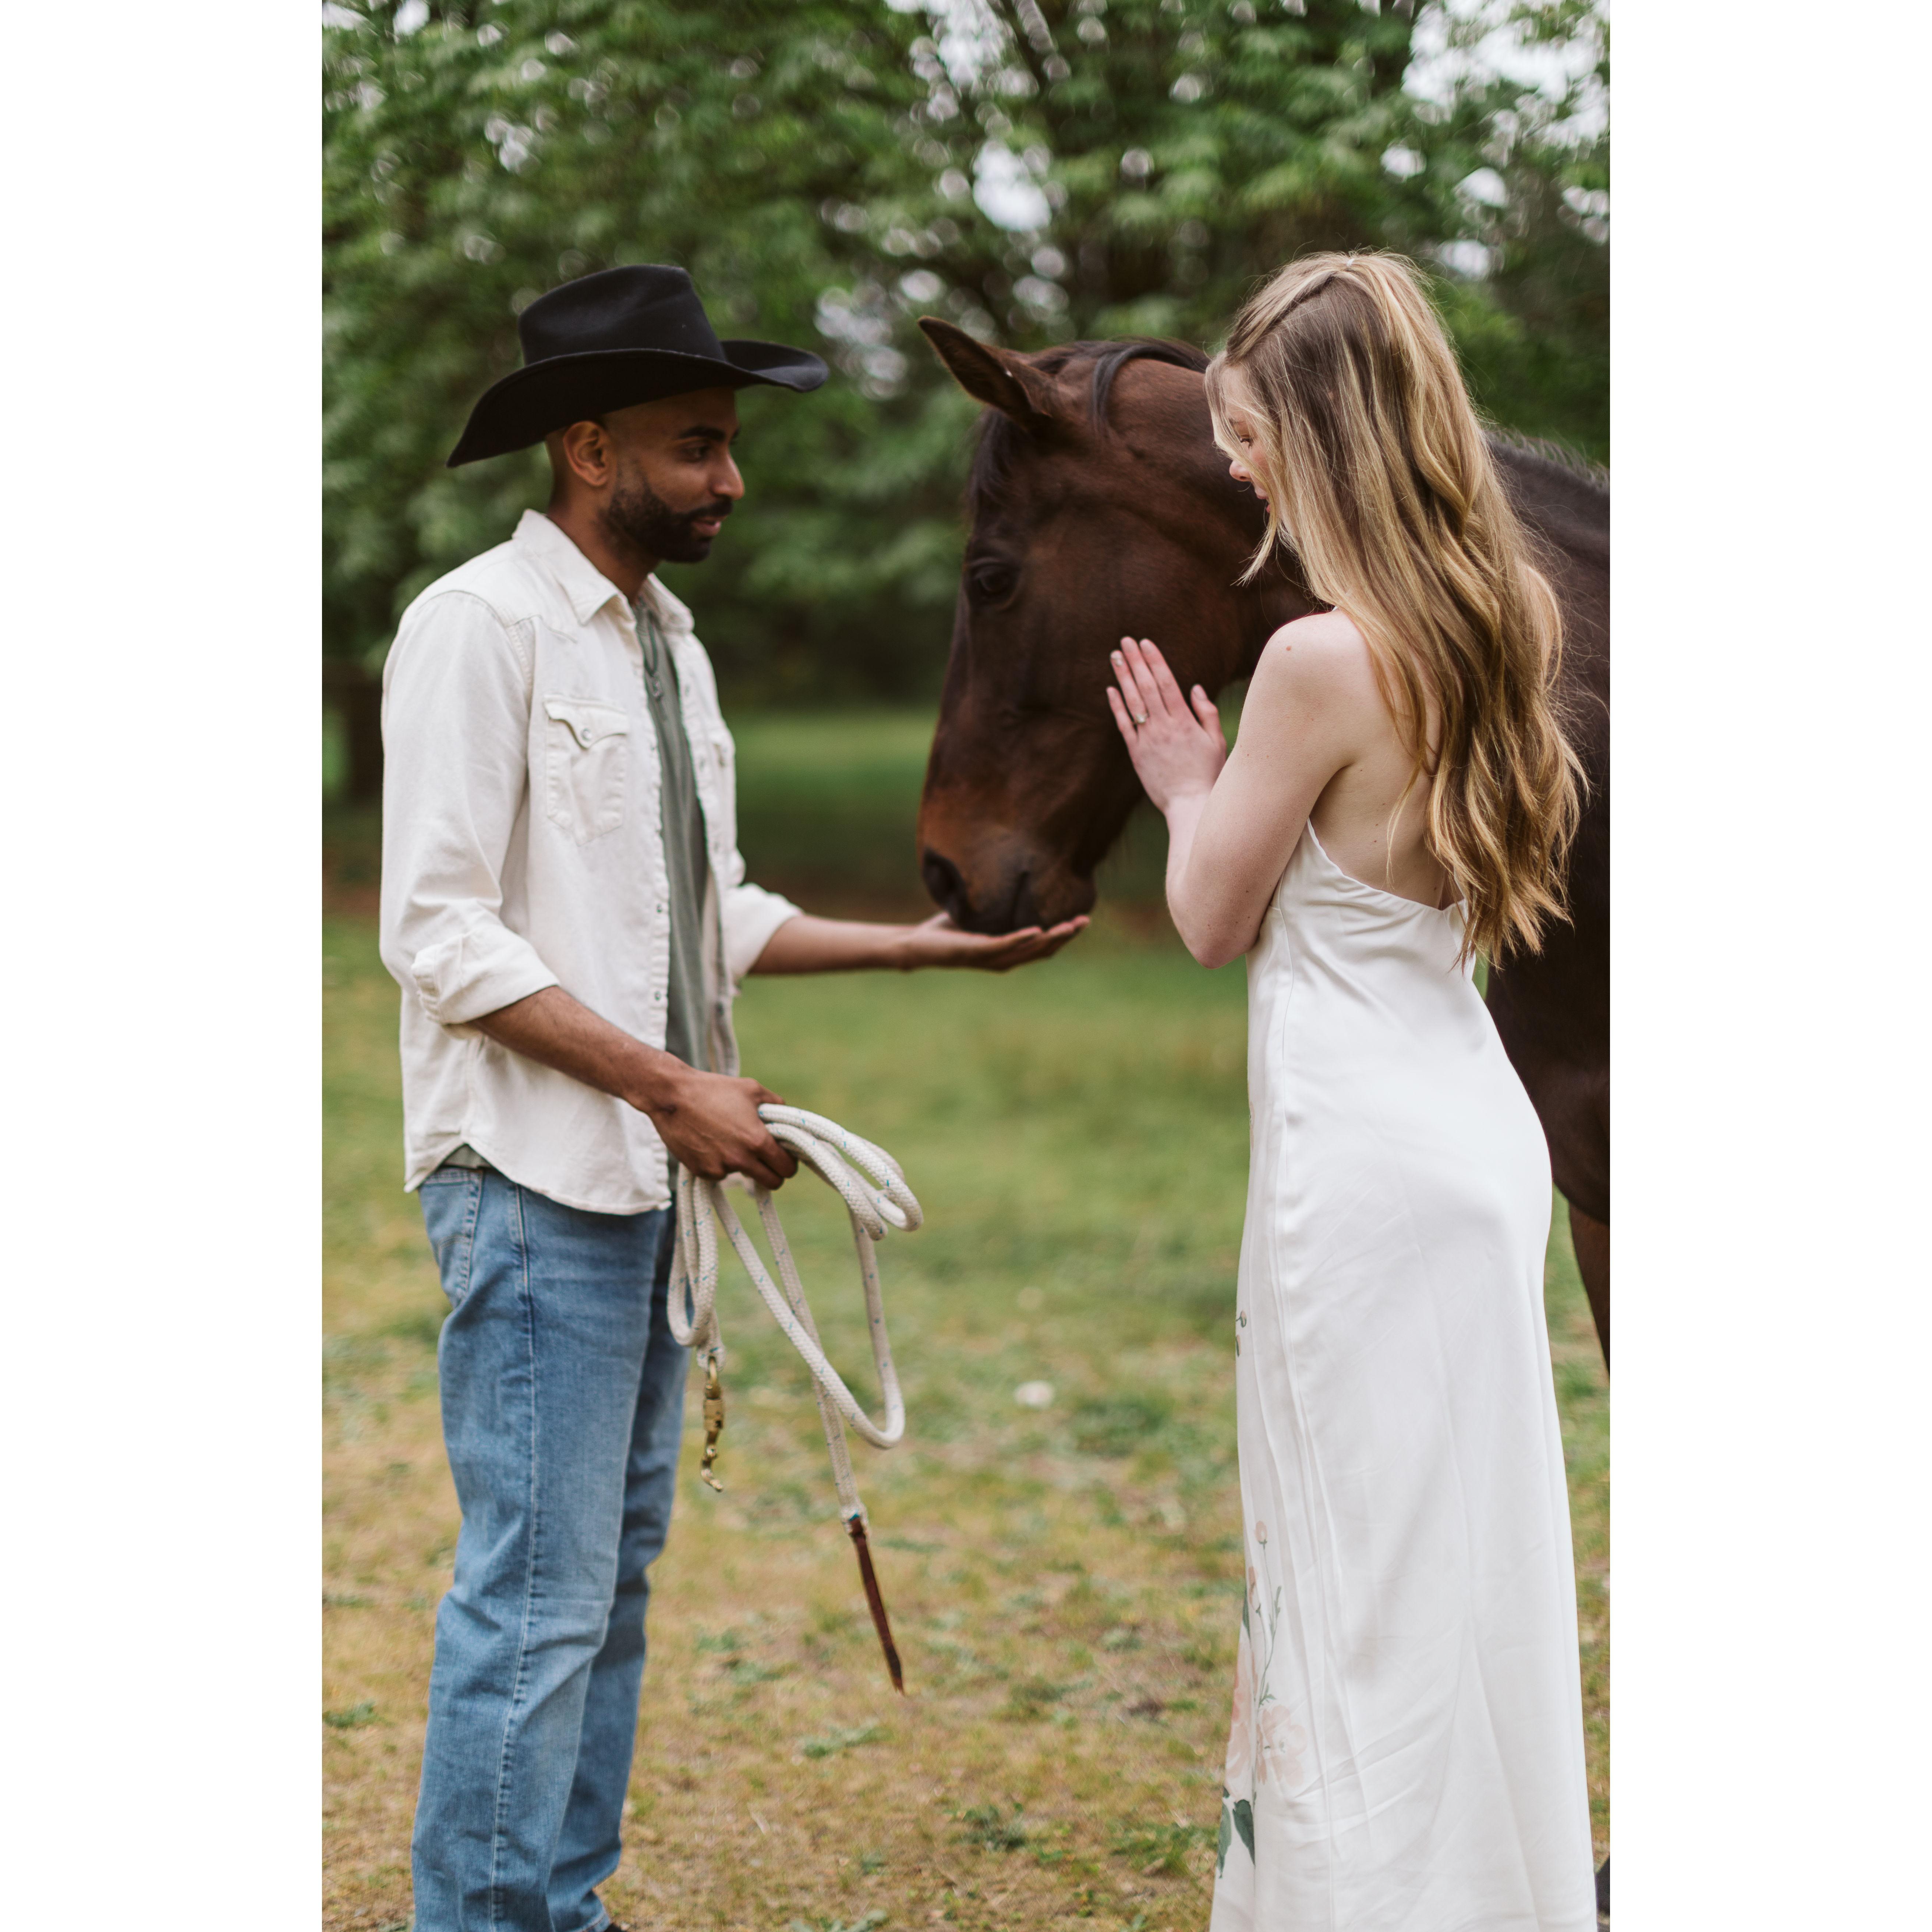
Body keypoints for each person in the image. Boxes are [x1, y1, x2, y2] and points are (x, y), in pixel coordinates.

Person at [379, 263, 1084, 1932]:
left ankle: (556, 1903)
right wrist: (668, 1086)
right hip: (535, 1173)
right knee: (536, 1596)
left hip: (646, 1178)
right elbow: (438, 930)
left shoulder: (669, 650)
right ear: (588, 446)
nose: (732, 480)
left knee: (605, 1584)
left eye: (727, 444)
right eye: (697, 445)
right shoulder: (479, 626)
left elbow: (705, 913)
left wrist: (924, 949)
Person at [1106, 251, 1595, 1930]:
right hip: (1468, 1134)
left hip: (1358, 1167)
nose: (1234, 464)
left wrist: (1183, 780)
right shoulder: (1505, 617)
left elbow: (1209, 916)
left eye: (1248, 432)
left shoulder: (1319, 659)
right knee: (1458, 1559)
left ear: (1323, 433)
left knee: (1352, 1563)